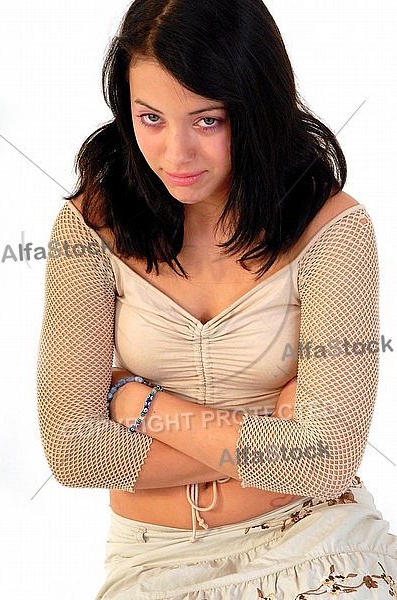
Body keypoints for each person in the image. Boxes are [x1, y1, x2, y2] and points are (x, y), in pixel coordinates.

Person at [36, 0, 397, 598]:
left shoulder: (332, 227)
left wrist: (139, 405)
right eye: (151, 118)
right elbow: (73, 453)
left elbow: (326, 462)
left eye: (208, 120)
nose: (176, 155)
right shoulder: (91, 226)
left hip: (318, 540)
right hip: (152, 563)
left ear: (257, 110)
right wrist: (271, 435)